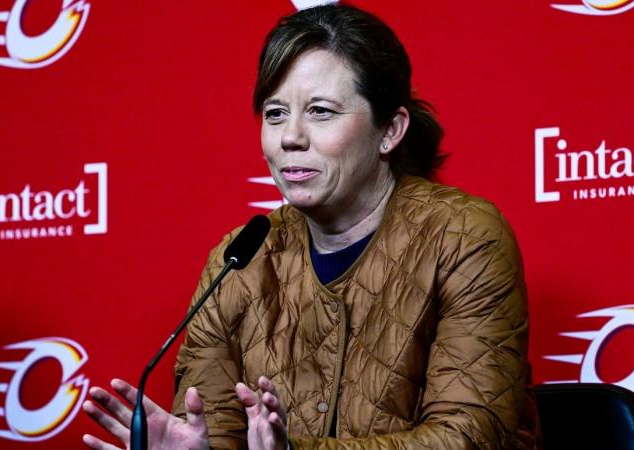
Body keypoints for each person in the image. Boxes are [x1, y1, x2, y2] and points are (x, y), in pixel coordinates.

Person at [83, 4, 539, 449]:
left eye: (320, 111)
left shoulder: (464, 236)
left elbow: (468, 437)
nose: (289, 137)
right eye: (275, 113)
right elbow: (216, 430)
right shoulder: (237, 262)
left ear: (390, 130)